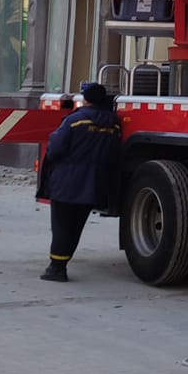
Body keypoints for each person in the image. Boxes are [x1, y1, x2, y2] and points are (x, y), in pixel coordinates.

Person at [35, 82, 122, 282]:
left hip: (67, 182)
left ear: (87, 99)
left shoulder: (75, 120)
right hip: (94, 185)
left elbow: (56, 148)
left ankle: (56, 268)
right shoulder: (114, 124)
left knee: (61, 226)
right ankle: (62, 263)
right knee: (75, 227)